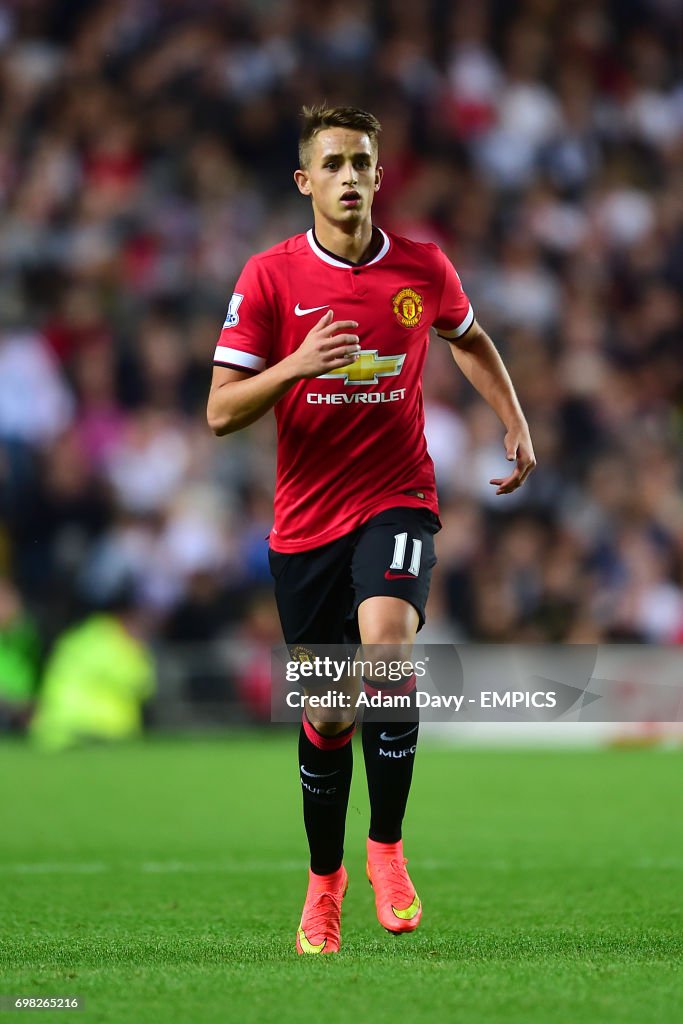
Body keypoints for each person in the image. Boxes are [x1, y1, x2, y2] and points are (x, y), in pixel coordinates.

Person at [207, 106, 536, 954]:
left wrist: (512, 418)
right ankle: (325, 884)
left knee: (386, 653)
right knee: (326, 709)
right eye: (334, 164)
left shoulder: (420, 266)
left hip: (395, 498)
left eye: (362, 162)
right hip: (305, 524)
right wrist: (293, 366)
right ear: (304, 182)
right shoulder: (270, 277)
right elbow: (218, 412)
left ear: (378, 176)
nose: (349, 177)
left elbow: (467, 337)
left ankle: (386, 848)